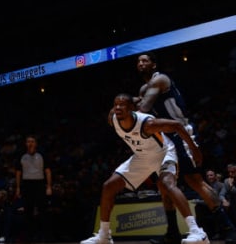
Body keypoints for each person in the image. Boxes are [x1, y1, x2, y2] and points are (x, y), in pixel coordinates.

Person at [80, 92, 209, 244]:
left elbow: (177, 126)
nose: (118, 108)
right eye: (116, 105)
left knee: (167, 184)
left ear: (132, 109)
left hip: (164, 153)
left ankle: (197, 232)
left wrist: (194, 149)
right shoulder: (113, 119)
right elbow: (121, 105)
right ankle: (104, 236)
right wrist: (133, 99)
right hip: (142, 157)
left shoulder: (147, 124)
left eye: (122, 105)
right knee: (108, 186)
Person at [135, 51, 236, 244]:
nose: (140, 63)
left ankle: (228, 227)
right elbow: (138, 102)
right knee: (164, 184)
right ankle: (172, 232)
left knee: (195, 181)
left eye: (145, 61)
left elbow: (144, 108)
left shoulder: (160, 80)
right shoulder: (143, 88)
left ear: (153, 65)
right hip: (165, 137)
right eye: (138, 61)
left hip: (181, 133)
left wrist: (123, 109)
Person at [14, 134, 52, 242]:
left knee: (42, 211)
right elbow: (18, 173)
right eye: (28, 141)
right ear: (26, 144)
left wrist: (49, 186)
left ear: (36, 143)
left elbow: (48, 171)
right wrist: (18, 187)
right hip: (26, 185)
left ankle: (44, 237)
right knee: (28, 212)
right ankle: (28, 238)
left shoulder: (42, 155)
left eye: (32, 141)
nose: (30, 143)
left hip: (39, 184)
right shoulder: (21, 156)